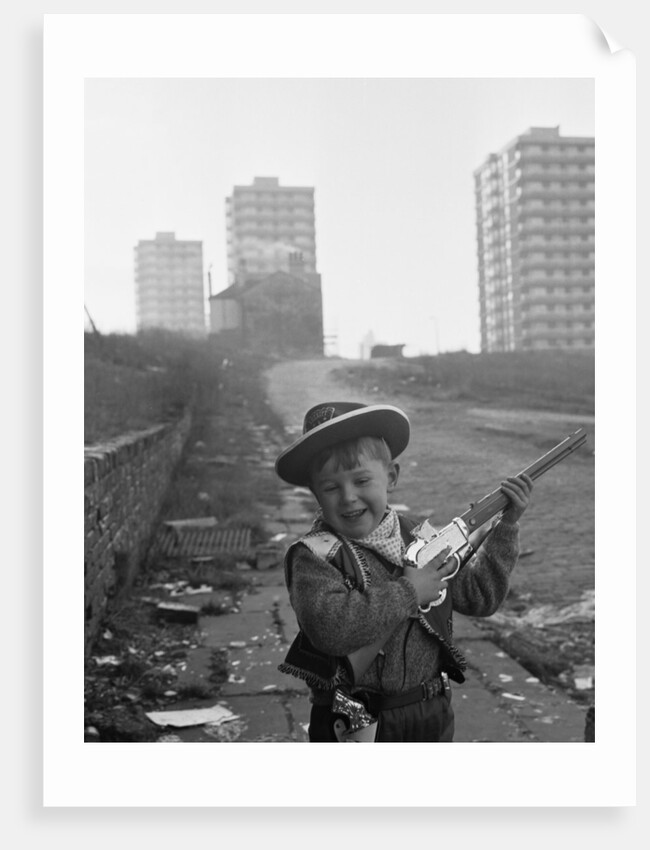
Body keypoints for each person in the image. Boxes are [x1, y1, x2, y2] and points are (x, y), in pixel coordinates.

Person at [275, 401, 533, 742]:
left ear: (392, 477)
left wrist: (506, 527)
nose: (349, 497)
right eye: (331, 487)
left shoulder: (420, 535)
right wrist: (409, 592)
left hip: (431, 712)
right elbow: (331, 630)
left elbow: (480, 598)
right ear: (315, 493)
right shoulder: (314, 556)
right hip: (353, 722)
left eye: (362, 480)